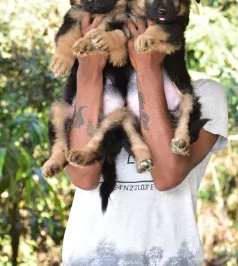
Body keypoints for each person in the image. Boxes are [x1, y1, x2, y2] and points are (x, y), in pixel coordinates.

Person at [59, 14, 229, 265]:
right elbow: (84, 178)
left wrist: (147, 68)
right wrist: (89, 69)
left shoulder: (204, 95)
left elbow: (168, 175)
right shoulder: (88, 91)